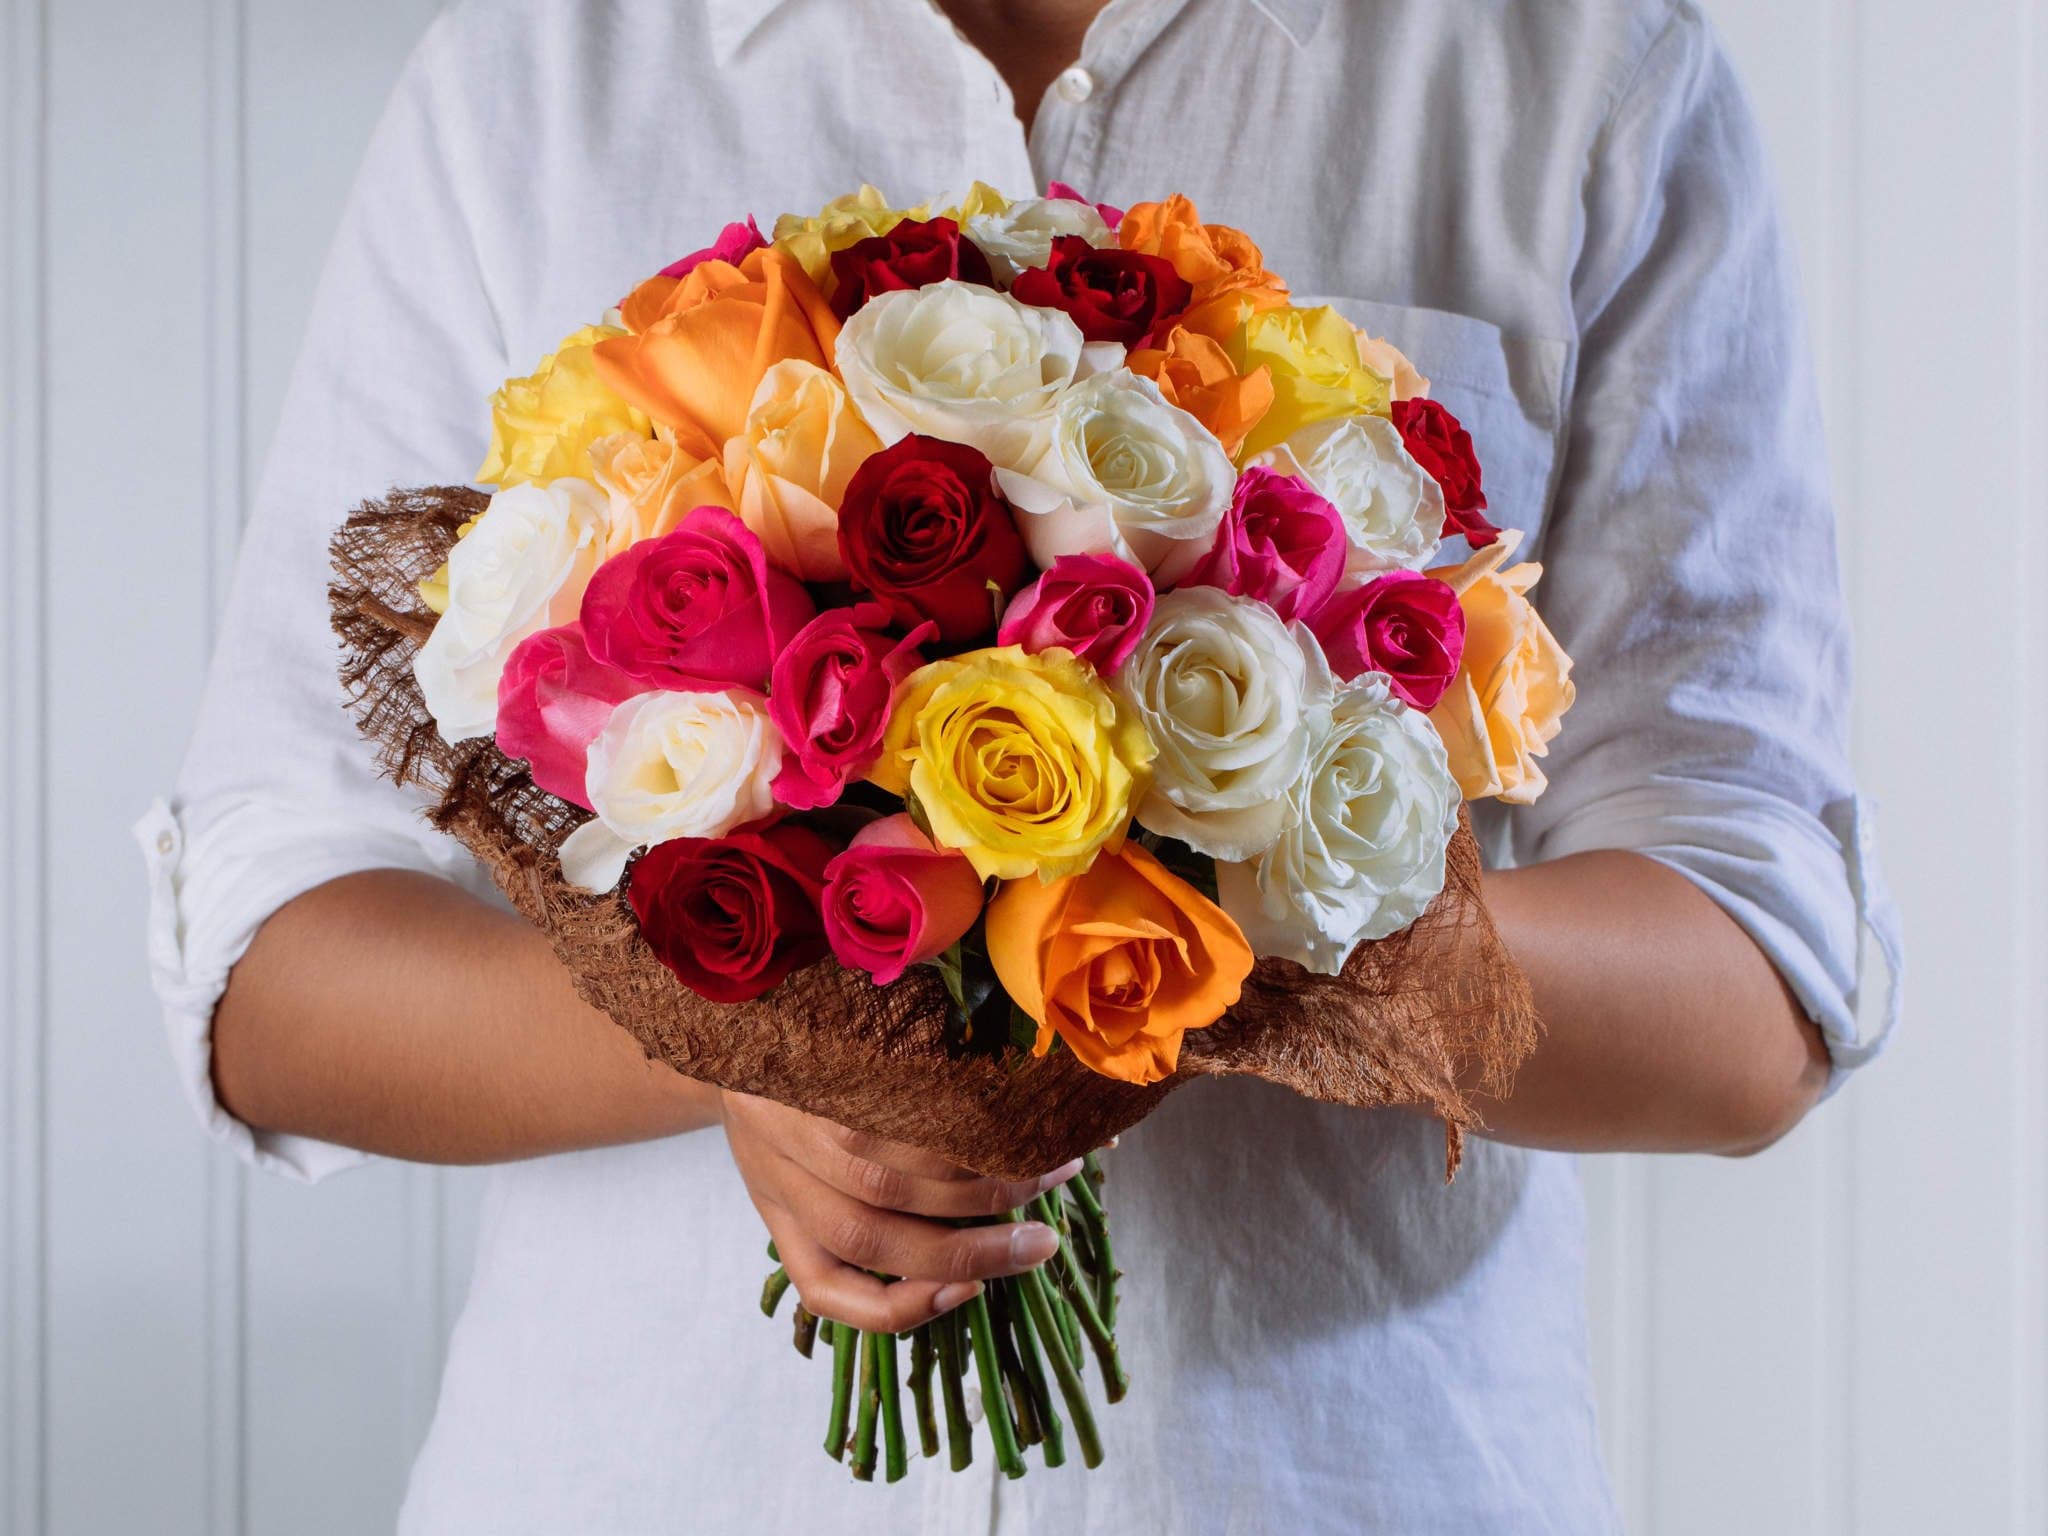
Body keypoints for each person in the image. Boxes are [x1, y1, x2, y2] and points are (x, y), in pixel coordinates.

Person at [137, 0, 1902, 1530]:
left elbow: (1753, 975)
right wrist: (765, 1029)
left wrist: (1184, 948)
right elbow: (273, 958)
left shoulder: (1577, 68)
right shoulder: (534, 74)